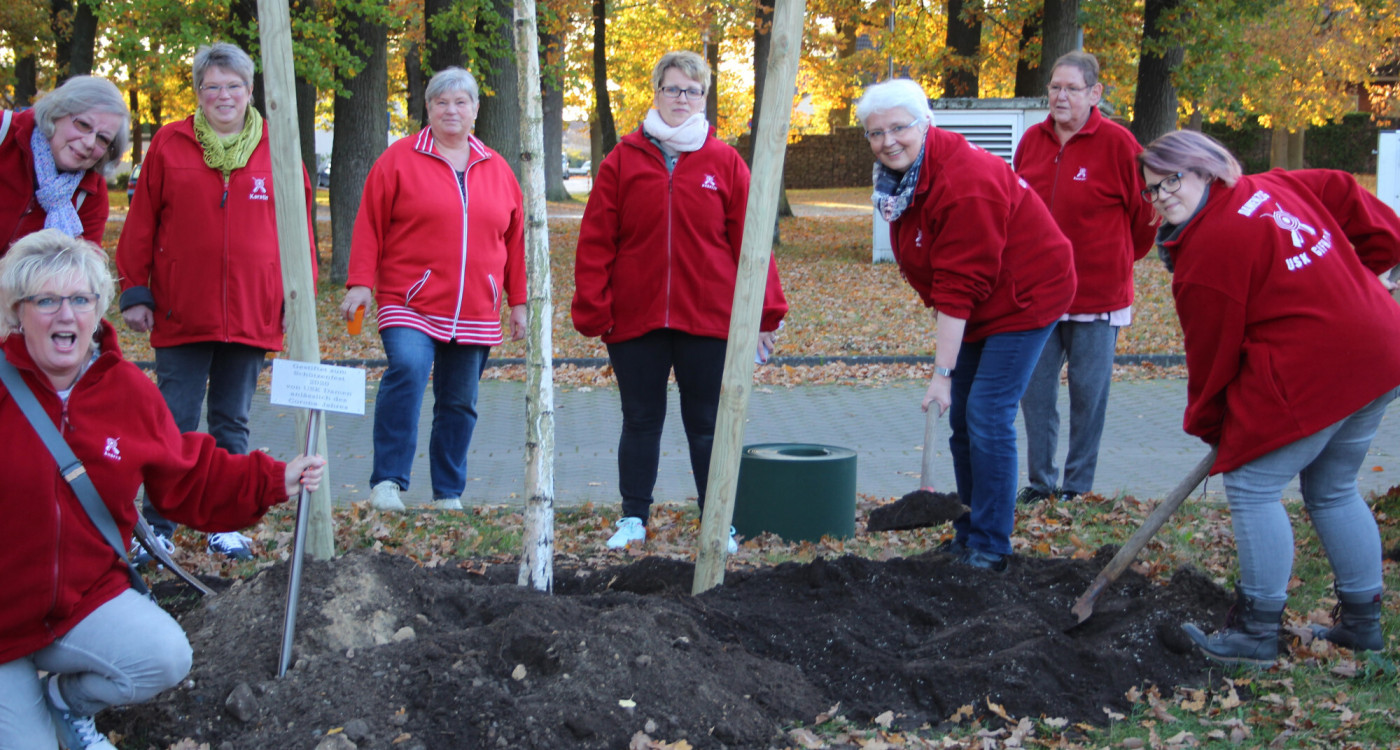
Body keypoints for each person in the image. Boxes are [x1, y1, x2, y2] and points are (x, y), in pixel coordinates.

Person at [0, 229, 325, 750]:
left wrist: (272, 479)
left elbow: (187, 474)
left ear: (98, 309)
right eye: (47, 300)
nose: (67, 315)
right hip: (3, 617)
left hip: (83, 600)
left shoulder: (124, 390)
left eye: (81, 299)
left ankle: (66, 701)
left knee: (165, 656)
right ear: (18, 313)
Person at [1140, 130, 1400, 665]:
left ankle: (1255, 632)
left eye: (1173, 180)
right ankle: (1362, 625)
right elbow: (1340, 188)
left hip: (1326, 366)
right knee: (1330, 487)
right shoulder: (1273, 185)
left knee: (1252, 485)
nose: (1163, 195)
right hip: (1381, 346)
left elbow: (1212, 361)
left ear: (1207, 171)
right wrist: (1374, 259)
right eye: (1151, 189)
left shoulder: (1209, 252)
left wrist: (1215, 426)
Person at [855, 79, 1075, 571]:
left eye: (898, 128)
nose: (888, 141)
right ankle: (968, 530)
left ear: (925, 123)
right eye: (875, 133)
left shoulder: (963, 180)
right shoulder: (904, 179)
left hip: (1025, 297)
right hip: (979, 301)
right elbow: (936, 271)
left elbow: (959, 284)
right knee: (962, 420)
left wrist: (942, 373)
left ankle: (992, 545)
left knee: (987, 414)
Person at [572, 50, 788, 553]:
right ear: (656, 92)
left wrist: (763, 314)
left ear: (704, 97)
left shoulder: (725, 161)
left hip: (709, 318)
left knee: (708, 423)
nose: (682, 99)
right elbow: (597, 240)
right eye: (673, 89)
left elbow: (752, 243)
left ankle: (718, 518)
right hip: (636, 317)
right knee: (641, 419)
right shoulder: (621, 160)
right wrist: (594, 307)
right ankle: (632, 518)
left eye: (692, 91)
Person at [116, 42, 316, 561]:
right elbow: (142, 223)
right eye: (212, 87)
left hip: (252, 309)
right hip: (182, 309)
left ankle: (224, 524)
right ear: (199, 93)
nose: (223, 95)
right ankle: (158, 526)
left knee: (231, 421)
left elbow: (299, 232)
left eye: (233, 86)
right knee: (173, 422)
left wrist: (300, 296)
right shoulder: (169, 143)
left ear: (250, 91)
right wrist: (135, 290)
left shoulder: (279, 147)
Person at [341, 66, 526, 513]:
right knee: (407, 369)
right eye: (441, 102)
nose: (451, 110)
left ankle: (448, 492)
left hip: (476, 306)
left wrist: (518, 301)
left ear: (476, 110)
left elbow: (515, 240)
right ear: (428, 109)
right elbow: (369, 222)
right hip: (410, 301)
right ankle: (387, 481)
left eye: (461, 102)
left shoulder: (497, 167)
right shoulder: (399, 159)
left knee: (460, 401)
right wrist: (361, 283)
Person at [1013, 51, 1156, 505]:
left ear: (1095, 94)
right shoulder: (1031, 142)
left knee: (1087, 397)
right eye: (1054, 87)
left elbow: (1145, 217)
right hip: (1039, 296)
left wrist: (1113, 260)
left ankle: (1077, 487)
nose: (1059, 96)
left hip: (1099, 297)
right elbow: (1014, 210)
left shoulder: (1119, 145)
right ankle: (1040, 483)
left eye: (1071, 88)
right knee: (1034, 396)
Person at [1, 76, 129, 250]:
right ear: (56, 114)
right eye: (83, 124)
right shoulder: (4, 133)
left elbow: (83, 270)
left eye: (103, 139)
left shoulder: (91, 194)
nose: (89, 142)